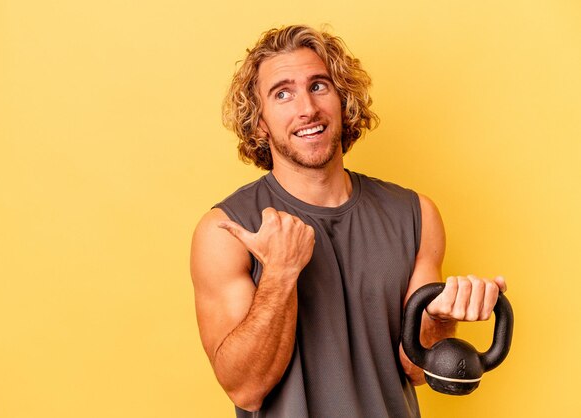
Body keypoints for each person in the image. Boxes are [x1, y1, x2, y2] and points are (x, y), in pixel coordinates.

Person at [190, 25, 507, 418]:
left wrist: (438, 317)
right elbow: (246, 389)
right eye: (283, 94)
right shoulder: (227, 230)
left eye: (319, 86)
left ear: (343, 100)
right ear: (259, 122)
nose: (307, 108)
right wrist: (281, 272)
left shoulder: (415, 214)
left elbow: (416, 368)